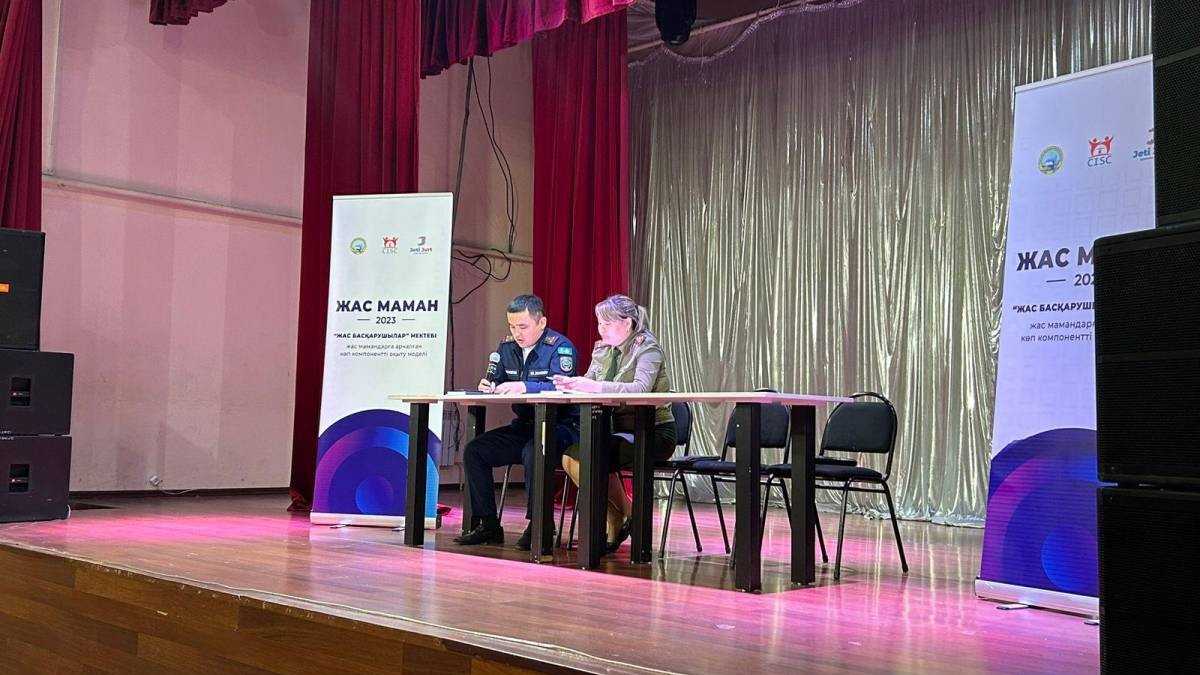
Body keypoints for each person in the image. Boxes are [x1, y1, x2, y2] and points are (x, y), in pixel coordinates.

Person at [454, 294, 579, 553]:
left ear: (541, 323)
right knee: (475, 450)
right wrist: (489, 386)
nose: (517, 333)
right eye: (512, 326)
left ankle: (540, 525)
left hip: (560, 427)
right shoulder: (506, 348)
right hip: (524, 426)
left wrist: (525, 386)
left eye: (523, 326)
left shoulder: (560, 347)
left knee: (535, 451)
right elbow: (498, 380)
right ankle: (488, 524)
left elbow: (562, 387)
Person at [554, 294, 676, 554]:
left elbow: (641, 388)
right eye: (599, 323)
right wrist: (572, 384)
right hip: (619, 432)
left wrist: (594, 386)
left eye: (607, 323)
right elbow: (590, 380)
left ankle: (619, 519)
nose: (601, 329)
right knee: (571, 457)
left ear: (628, 323)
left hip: (653, 432)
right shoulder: (603, 349)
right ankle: (626, 514)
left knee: (590, 457)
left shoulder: (648, 348)